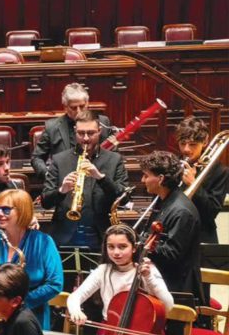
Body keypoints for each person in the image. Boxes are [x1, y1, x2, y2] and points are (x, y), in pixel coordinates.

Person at [67, 224, 174, 335]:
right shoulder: (103, 270)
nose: (116, 252)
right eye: (111, 247)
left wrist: (149, 279)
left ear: (134, 248)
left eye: (122, 247)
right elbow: (75, 297)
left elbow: (168, 306)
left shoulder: (147, 270)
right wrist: (76, 310)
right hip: (110, 332)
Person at [0, 189, 63, 330]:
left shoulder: (43, 242)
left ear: (22, 211)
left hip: (30, 318)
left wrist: (17, 304)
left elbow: (55, 284)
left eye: (6, 210)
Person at [41, 110, 128, 250]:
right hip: (64, 237)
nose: (86, 138)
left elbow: (124, 199)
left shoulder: (114, 159)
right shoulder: (59, 160)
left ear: (99, 131)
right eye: (81, 133)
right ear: (75, 131)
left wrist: (101, 178)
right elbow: (45, 202)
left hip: (102, 237)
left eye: (91, 133)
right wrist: (62, 190)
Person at [140, 151, 202, 302]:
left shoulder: (182, 212)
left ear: (160, 179)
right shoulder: (163, 201)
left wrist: (138, 242)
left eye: (146, 175)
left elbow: (171, 255)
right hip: (162, 280)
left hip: (176, 289)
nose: (142, 180)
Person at [30, 82, 114, 177]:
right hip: (65, 180)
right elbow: (37, 158)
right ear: (65, 107)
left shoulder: (103, 122)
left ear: (87, 103)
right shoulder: (52, 127)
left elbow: (114, 154)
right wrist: (50, 176)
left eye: (82, 106)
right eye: (74, 108)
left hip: (98, 178)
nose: (79, 111)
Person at [177, 117, 228, 245]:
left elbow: (211, 212)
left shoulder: (220, 171)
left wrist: (193, 184)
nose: (186, 149)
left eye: (193, 144)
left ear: (205, 142)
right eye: (182, 143)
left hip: (201, 236)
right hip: (174, 234)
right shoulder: (172, 166)